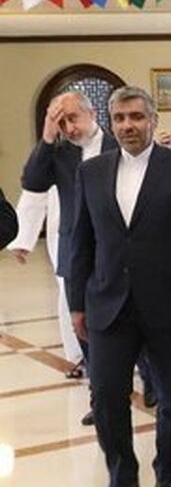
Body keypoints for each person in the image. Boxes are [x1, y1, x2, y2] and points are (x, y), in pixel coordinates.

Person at [68, 87, 171, 487]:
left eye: (136, 117)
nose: (128, 125)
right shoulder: (91, 172)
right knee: (107, 396)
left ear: (153, 121)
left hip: (170, 306)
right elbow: (80, 241)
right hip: (109, 305)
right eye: (120, 118)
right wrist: (76, 304)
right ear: (111, 123)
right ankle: (121, 478)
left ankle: (169, 472)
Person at [17, 91, 120, 422]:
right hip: (76, 250)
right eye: (61, 123)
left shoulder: (118, 144)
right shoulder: (59, 153)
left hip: (117, 250)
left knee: (129, 317)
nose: (70, 128)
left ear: (92, 114)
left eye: (73, 118)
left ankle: (149, 381)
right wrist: (48, 136)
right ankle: (98, 398)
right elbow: (32, 181)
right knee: (83, 324)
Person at [7, 188, 86, 378]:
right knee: (71, 291)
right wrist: (23, 237)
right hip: (68, 226)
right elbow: (37, 185)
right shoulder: (55, 163)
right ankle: (79, 354)